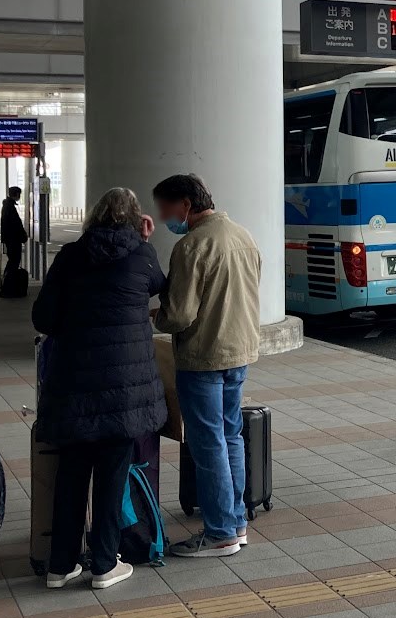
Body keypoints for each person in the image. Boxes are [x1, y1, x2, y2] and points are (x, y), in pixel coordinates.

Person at [32, 187, 166, 591]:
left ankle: (61, 565)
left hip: (74, 383)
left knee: (71, 473)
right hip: (124, 391)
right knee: (112, 475)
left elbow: (43, 318)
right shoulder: (142, 255)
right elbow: (159, 286)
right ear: (136, 218)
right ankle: (105, 564)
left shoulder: (70, 256)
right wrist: (146, 239)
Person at [152, 173, 262, 558]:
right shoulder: (243, 235)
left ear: (184, 203)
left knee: (207, 441)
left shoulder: (191, 245)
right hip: (240, 351)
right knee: (230, 435)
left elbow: (180, 314)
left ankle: (219, 533)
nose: (164, 216)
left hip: (203, 356)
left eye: (165, 208)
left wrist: (157, 317)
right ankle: (236, 521)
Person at [1, 187, 28, 276]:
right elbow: (16, 224)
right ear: (16, 194)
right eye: (19, 194)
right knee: (14, 261)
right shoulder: (10, 207)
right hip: (13, 239)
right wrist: (23, 235)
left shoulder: (7, 205)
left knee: (12, 261)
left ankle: (7, 280)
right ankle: (8, 282)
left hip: (10, 239)